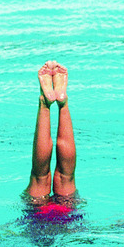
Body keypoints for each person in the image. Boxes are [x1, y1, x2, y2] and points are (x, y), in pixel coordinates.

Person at [25, 61, 80, 212]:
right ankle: (61, 102)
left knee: (41, 177)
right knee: (63, 176)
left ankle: (46, 103)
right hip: (67, 216)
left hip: (38, 216)